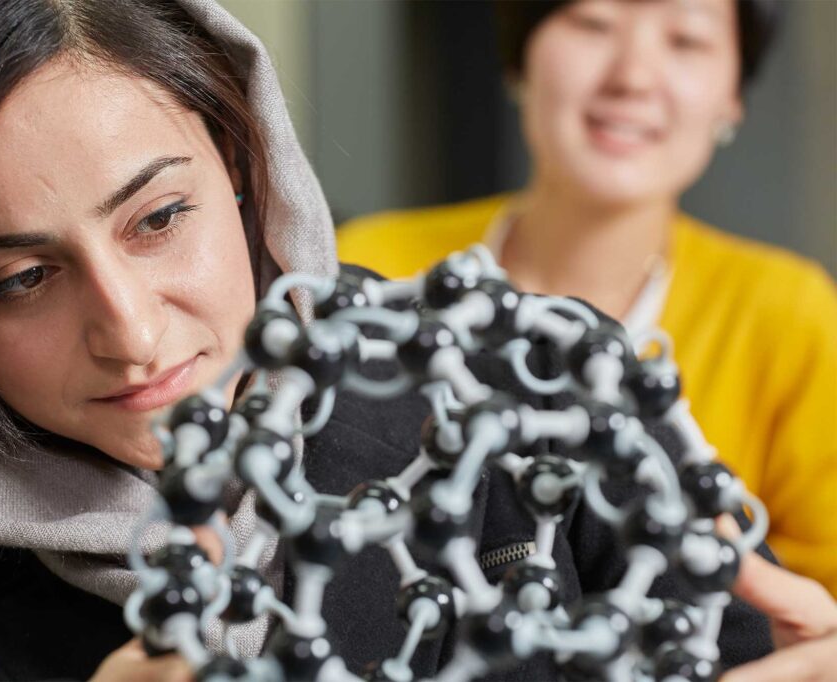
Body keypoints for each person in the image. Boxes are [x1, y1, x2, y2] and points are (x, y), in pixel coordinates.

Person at [0, 0, 801, 679]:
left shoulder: (539, 388)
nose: (131, 329)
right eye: (21, 279)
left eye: (158, 218)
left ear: (245, 164)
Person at [337, 0, 837, 596]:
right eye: (594, 23)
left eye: (686, 40)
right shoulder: (372, 272)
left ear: (733, 95)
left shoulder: (787, 314)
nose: (632, 76)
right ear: (521, 57)